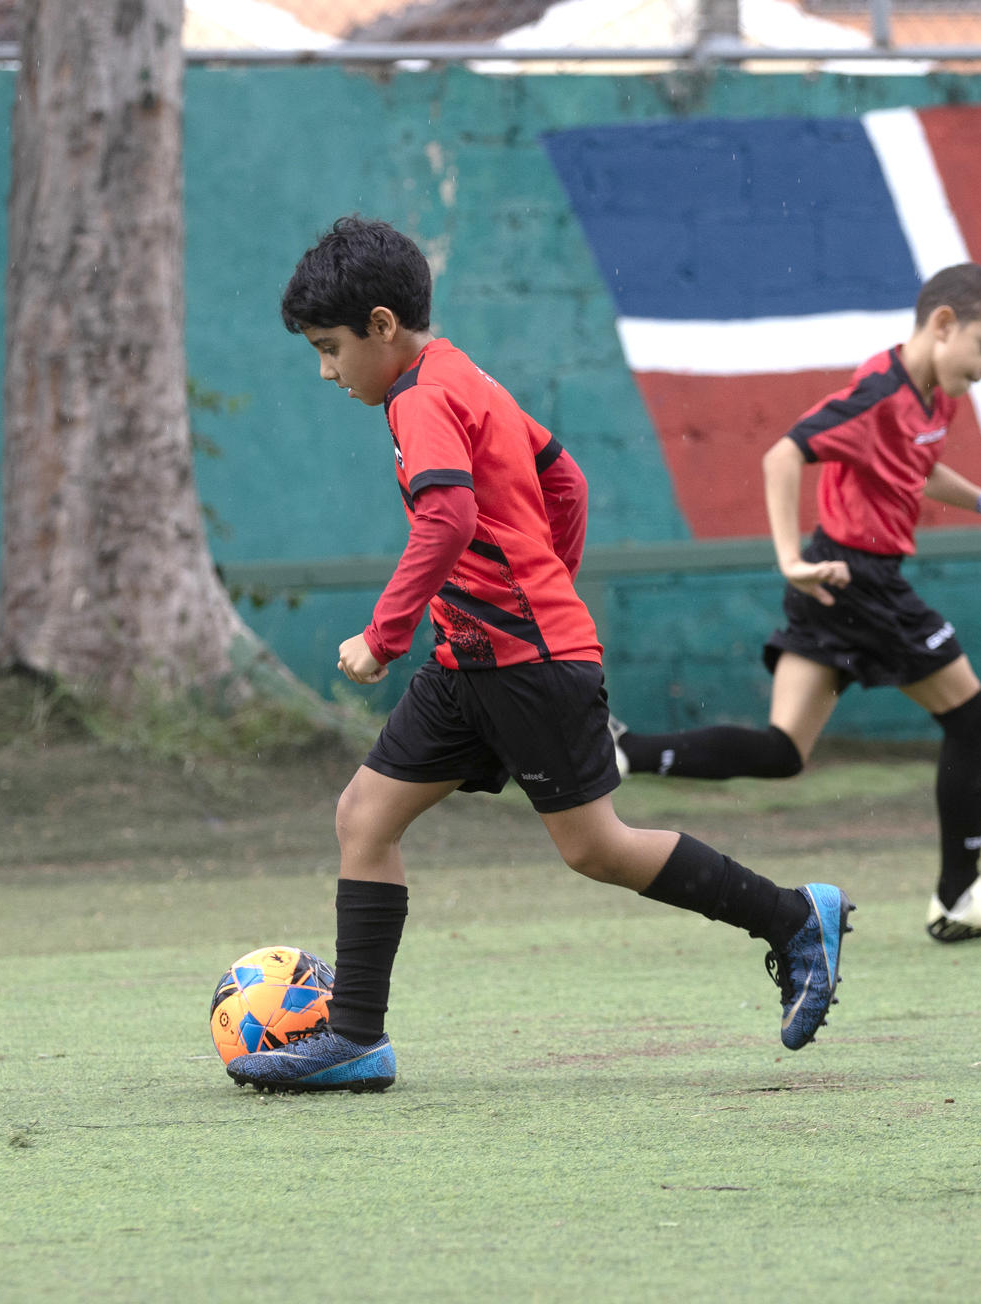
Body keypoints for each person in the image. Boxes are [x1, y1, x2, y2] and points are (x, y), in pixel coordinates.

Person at [229, 217, 852, 1093]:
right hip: (473, 658)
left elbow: (448, 517)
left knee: (596, 848)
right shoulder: (460, 372)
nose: (326, 372)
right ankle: (356, 1039)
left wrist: (384, 635)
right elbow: (566, 479)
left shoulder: (419, 396)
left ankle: (794, 918)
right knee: (364, 818)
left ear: (380, 325)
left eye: (330, 349)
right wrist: (538, 584)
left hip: (522, 662)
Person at [614, 264, 981, 944]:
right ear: (943, 325)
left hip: (842, 585)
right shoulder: (877, 392)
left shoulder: (937, 392)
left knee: (783, 750)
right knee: (972, 716)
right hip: (858, 582)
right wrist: (789, 560)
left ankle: (623, 751)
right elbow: (781, 455)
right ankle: (958, 897)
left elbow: (916, 464)